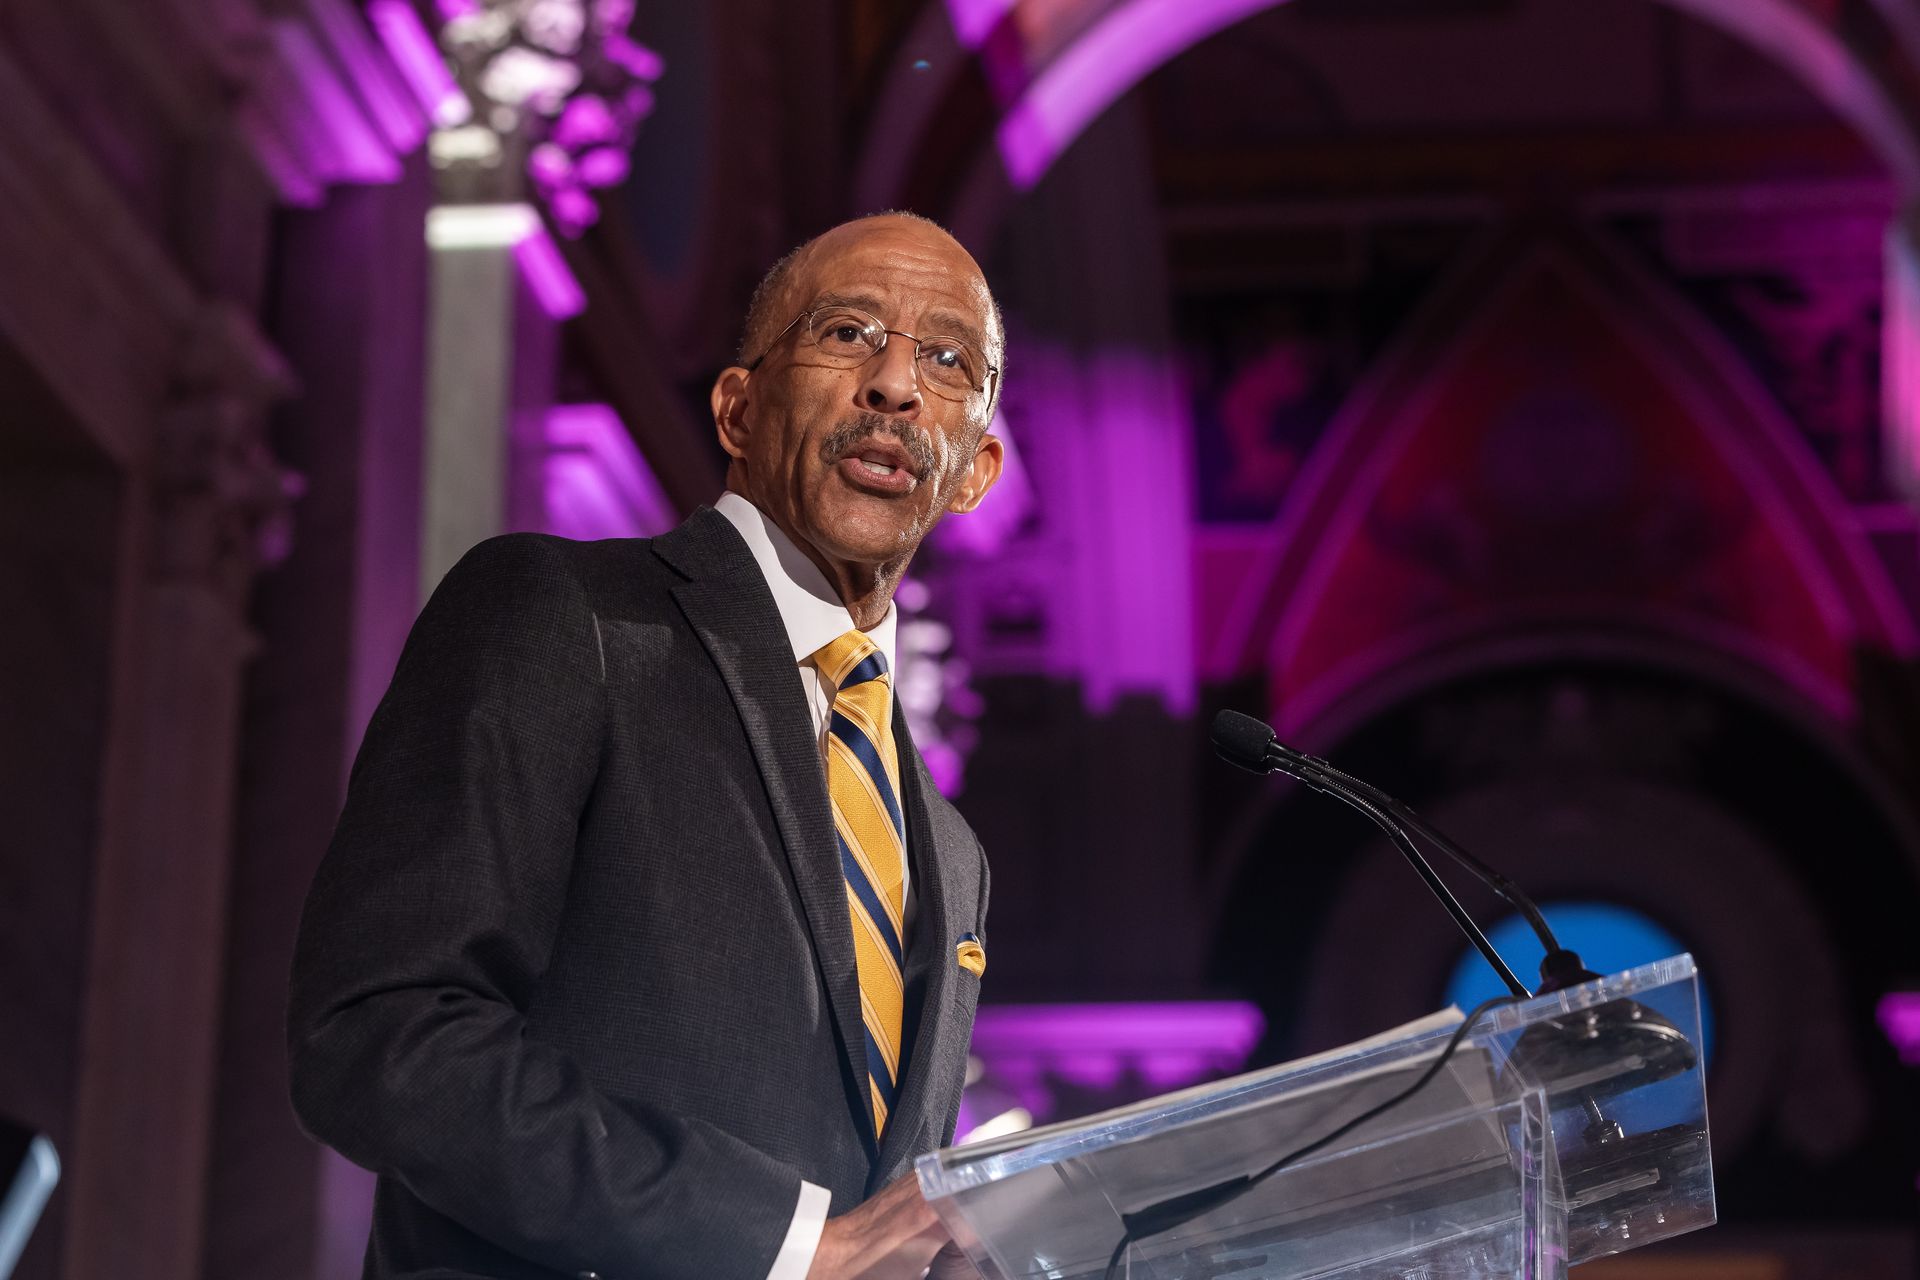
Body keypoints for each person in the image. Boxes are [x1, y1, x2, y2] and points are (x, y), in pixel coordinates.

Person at [288, 212, 1006, 1279]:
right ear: (738, 406)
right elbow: (385, 1035)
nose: (895, 385)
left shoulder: (948, 849)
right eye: (848, 333)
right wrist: (787, 1241)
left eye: (945, 358)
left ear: (974, 472)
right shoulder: (564, 617)